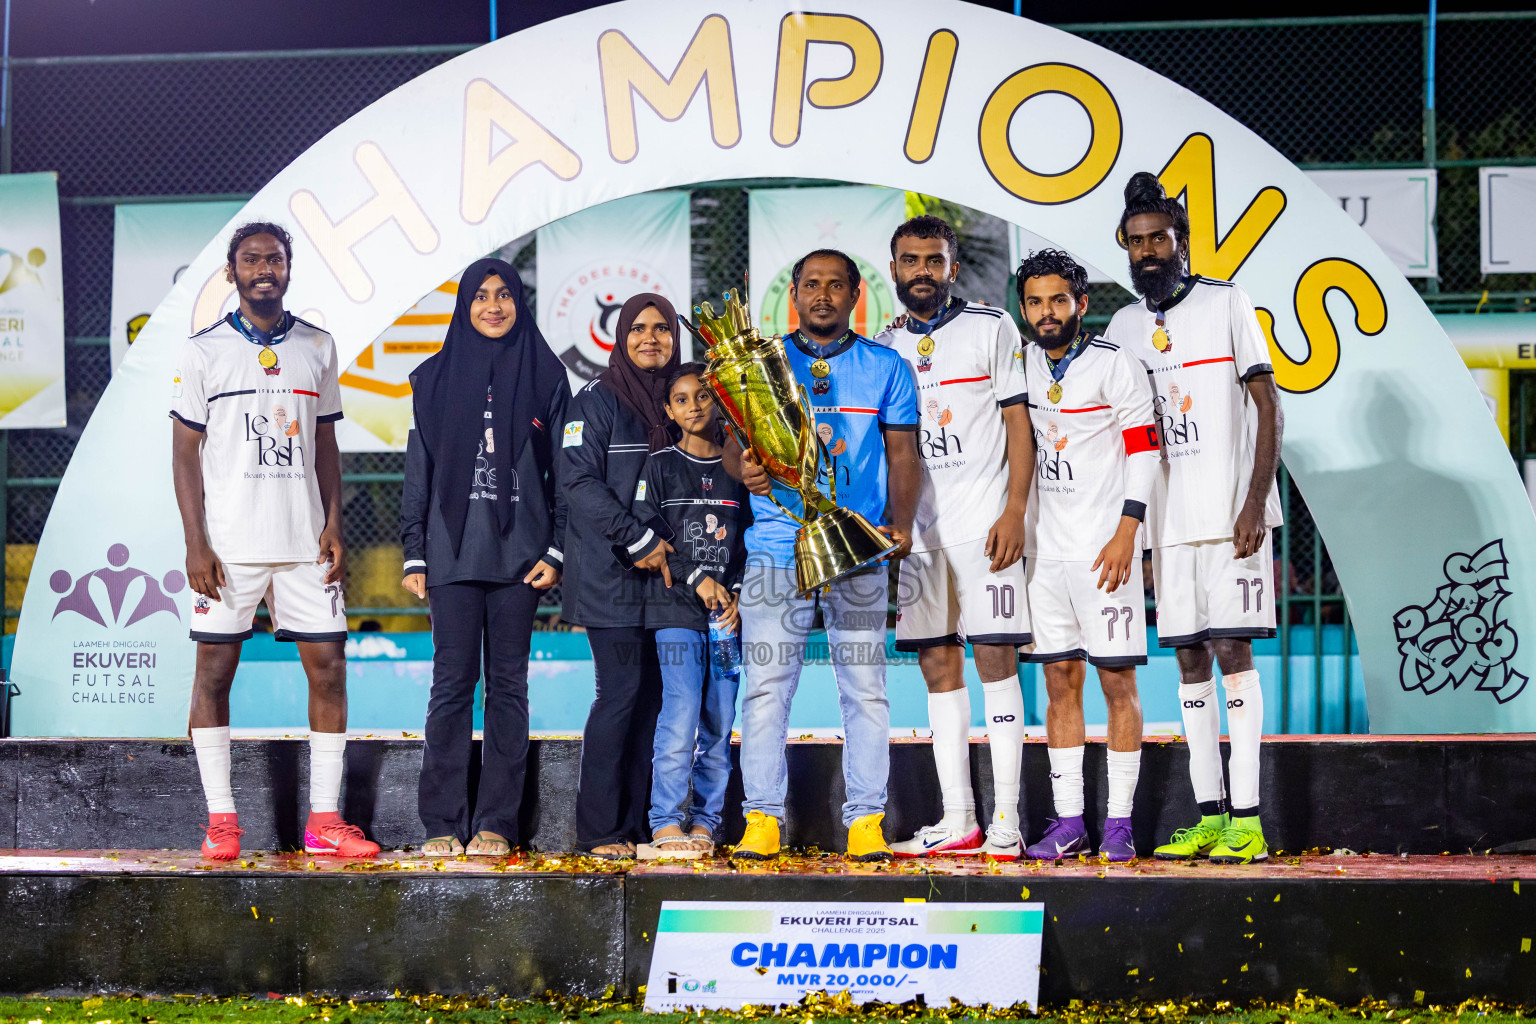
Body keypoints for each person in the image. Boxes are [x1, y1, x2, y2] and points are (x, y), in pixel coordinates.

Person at [170, 221, 377, 860]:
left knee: (331, 670)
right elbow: (183, 454)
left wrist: (335, 524)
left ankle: (323, 822)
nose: (265, 268)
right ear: (232, 272)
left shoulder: (318, 346)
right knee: (214, 672)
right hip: (229, 548)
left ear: (289, 269)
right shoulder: (203, 351)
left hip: (304, 544)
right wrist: (195, 544)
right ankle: (222, 821)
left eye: (276, 259)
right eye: (252, 259)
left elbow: (325, 444)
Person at [1104, 172, 1285, 864]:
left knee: (1234, 653)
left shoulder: (1227, 301)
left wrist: (1253, 503)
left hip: (1229, 518)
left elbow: (1268, 407)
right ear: (1126, 247)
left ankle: (1249, 818)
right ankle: (1210, 816)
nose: (1149, 250)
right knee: (1186, 659)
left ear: (1181, 243)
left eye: (1160, 239)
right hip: (1166, 525)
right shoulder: (1123, 327)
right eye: (1138, 241)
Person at [727, 248, 921, 863]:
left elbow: (902, 454)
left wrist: (902, 525)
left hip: (853, 548)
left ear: (855, 296)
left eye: (836, 286)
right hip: (775, 546)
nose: (823, 295)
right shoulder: (764, 364)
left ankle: (866, 820)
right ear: (794, 295)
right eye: (811, 284)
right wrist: (747, 469)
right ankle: (762, 818)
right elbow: (734, 450)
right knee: (765, 687)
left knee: (864, 688)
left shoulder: (886, 367)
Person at [873, 216, 1035, 861]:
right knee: (938, 666)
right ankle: (958, 818)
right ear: (893, 270)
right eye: (910, 261)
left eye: (933, 261)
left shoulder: (991, 328)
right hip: (919, 535)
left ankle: (1007, 819)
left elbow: (1020, 424)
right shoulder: (882, 347)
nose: (922, 272)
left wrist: (1015, 508)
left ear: (952, 268)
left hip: (984, 524)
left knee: (996, 662)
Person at [400, 258, 569, 858]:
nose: (493, 306)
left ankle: (496, 823)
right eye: (479, 296)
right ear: (463, 307)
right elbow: (418, 474)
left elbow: (565, 477)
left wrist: (556, 547)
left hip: (522, 559)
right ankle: (442, 823)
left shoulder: (548, 377)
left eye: (504, 295)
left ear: (519, 304)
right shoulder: (433, 379)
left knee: (508, 688)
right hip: (451, 556)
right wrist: (415, 554)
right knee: (450, 686)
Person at [1014, 250, 1159, 863]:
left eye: (1057, 300)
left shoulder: (1115, 364)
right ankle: (1071, 820)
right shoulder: (1018, 364)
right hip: (1044, 554)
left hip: (1105, 551)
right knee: (1058, 679)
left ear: (1081, 303)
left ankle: (1120, 822)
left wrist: (1129, 531)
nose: (1047, 313)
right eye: (1035, 302)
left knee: (1116, 682)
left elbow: (1145, 450)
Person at [561, 293, 682, 858]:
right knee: (622, 691)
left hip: (667, 574)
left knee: (657, 697)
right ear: (620, 336)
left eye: (661, 328)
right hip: (612, 574)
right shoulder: (598, 400)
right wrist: (637, 540)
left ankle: (639, 824)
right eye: (638, 328)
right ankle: (599, 830)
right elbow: (578, 484)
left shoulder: (686, 399)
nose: (650, 338)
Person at [632, 362, 750, 859]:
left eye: (702, 396)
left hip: (725, 618)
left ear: (717, 400)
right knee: (680, 710)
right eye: (681, 399)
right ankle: (665, 821)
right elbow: (645, 535)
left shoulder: (738, 468)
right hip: (675, 611)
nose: (694, 406)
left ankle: (706, 821)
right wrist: (694, 577)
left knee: (720, 719)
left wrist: (739, 591)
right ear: (669, 410)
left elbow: (747, 540)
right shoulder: (659, 466)